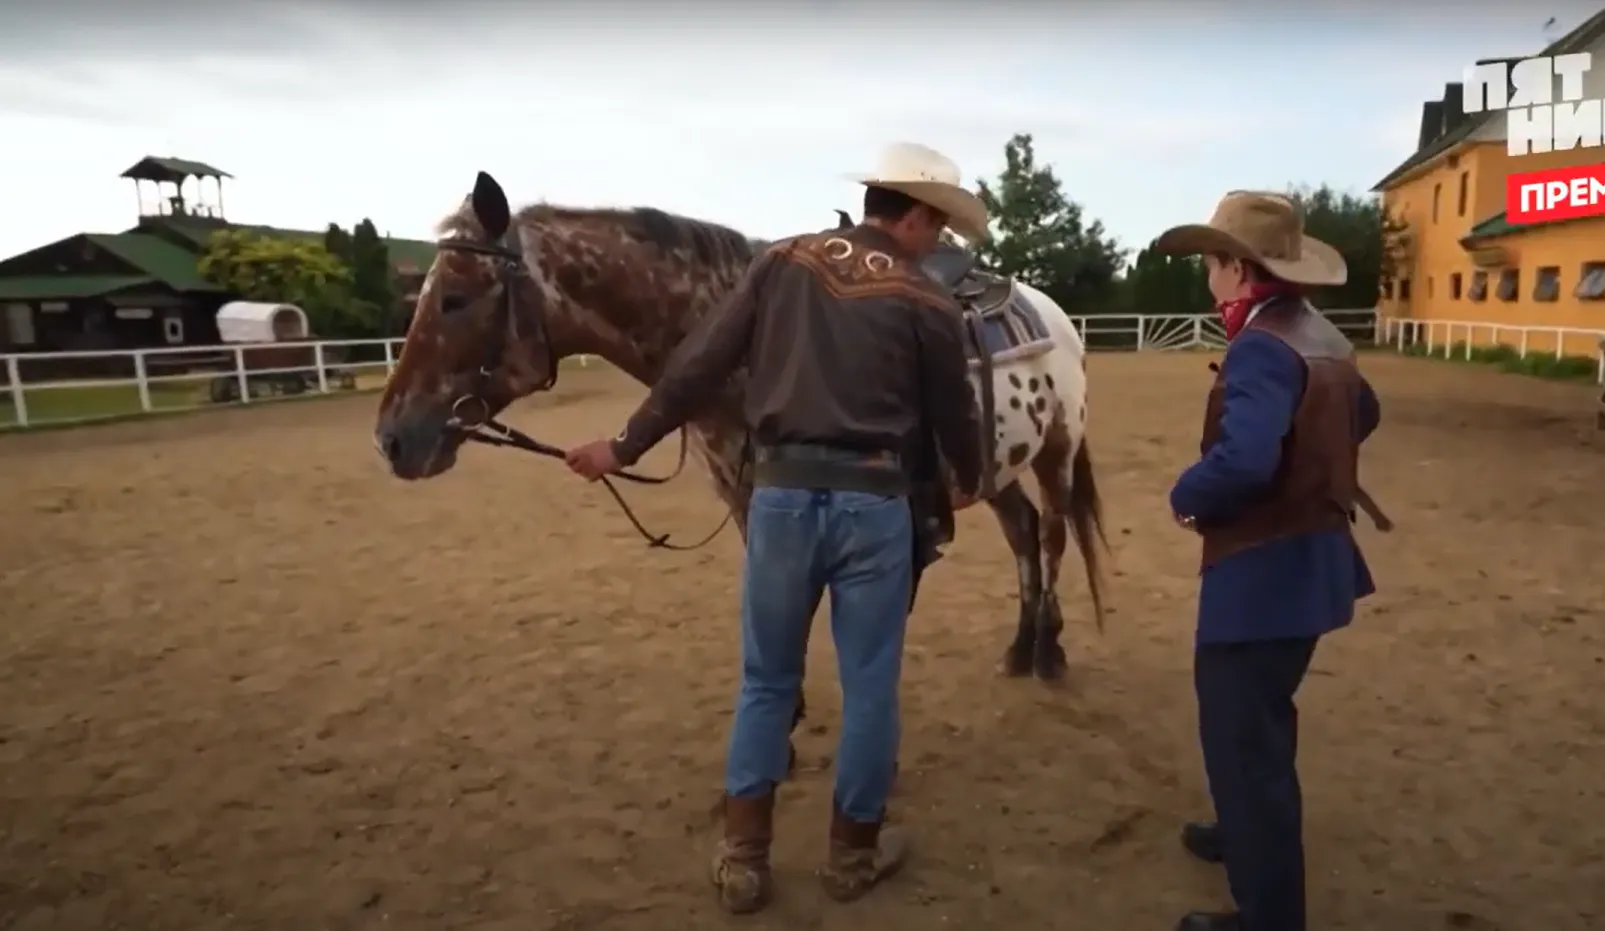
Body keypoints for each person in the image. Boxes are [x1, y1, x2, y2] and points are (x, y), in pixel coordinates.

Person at [565, 142, 987, 914]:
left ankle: (743, 858)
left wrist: (621, 446)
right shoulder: (926, 301)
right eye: (939, 226)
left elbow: (697, 365)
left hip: (782, 497)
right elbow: (954, 413)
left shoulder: (784, 261)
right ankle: (852, 857)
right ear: (917, 215)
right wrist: (968, 477)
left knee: (765, 679)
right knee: (868, 690)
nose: (938, 243)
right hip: (873, 503)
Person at [1153, 191, 1382, 931]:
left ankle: (1267, 917)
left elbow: (1244, 460)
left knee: (1243, 739)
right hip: (1312, 559)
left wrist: (1186, 493)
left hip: (1261, 571)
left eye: (1210, 263)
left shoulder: (1259, 344)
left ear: (1235, 267)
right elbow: (1364, 409)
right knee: (1258, 721)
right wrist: (1316, 459)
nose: (1206, 276)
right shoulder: (1316, 331)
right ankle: (1239, 831)